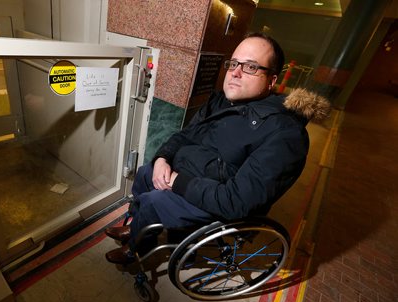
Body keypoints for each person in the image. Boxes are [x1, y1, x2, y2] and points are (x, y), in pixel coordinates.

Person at [104, 32, 330, 264]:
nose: (235, 72)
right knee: (145, 172)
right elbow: (185, 135)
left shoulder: (285, 134)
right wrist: (163, 157)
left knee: (155, 201)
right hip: (189, 175)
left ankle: (136, 248)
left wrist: (176, 182)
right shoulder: (221, 101)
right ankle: (141, 232)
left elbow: (237, 201)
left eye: (250, 67)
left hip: (215, 200)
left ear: (271, 81)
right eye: (233, 63)